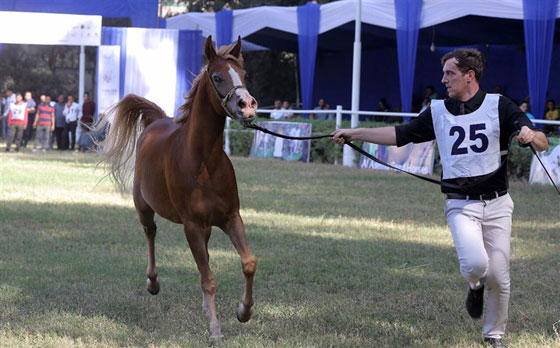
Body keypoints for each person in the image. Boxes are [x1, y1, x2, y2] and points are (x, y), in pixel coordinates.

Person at [332, 48, 548, 348]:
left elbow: (541, 140)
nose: (443, 79)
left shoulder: (500, 106)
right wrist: (355, 133)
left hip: (498, 204)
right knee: (475, 265)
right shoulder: (437, 111)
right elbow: (400, 134)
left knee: (500, 276)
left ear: (469, 76)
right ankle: (474, 285)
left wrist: (528, 134)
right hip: (460, 203)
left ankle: (493, 336)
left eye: (450, 73)